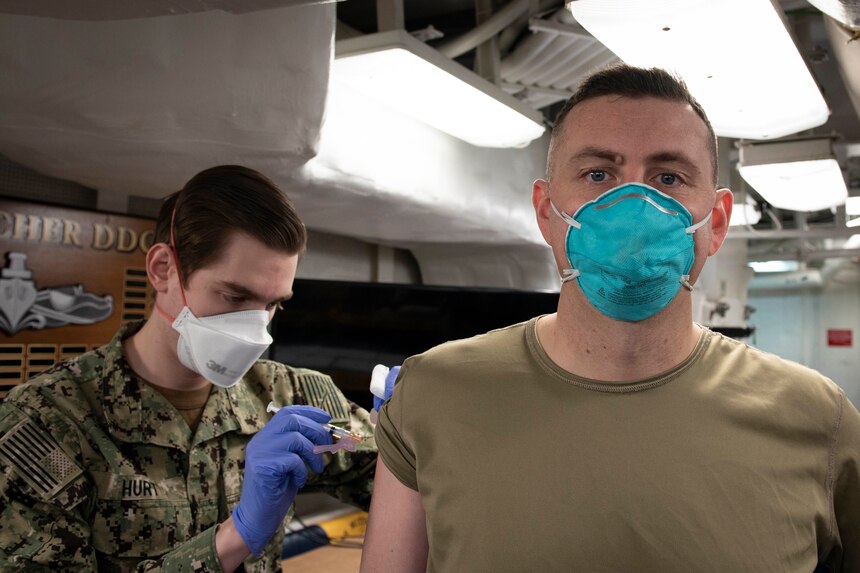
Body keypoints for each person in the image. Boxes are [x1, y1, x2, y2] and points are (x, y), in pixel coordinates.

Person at [361, 64, 860, 572]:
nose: (634, 206)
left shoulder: (820, 420)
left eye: (669, 177)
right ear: (545, 211)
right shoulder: (433, 393)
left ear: (717, 223)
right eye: (598, 174)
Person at [0, 165, 378, 572]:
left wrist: (418, 419)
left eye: (273, 304)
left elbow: (400, 476)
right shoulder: (46, 424)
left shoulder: (293, 396)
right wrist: (236, 536)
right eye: (234, 296)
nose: (257, 330)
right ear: (163, 270)